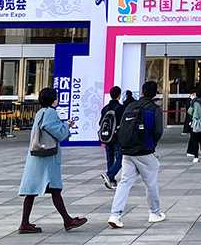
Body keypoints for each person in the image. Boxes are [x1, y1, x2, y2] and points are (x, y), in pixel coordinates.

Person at [17, 87, 88, 234]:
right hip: (47, 158)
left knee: (32, 191)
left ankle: (25, 223)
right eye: (56, 97)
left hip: (37, 157)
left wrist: (62, 125)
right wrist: (67, 126)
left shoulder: (40, 112)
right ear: (53, 99)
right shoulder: (50, 112)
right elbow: (59, 133)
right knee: (55, 189)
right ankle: (67, 220)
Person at [108, 80, 166, 229]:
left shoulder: (130, 106)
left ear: (142, 91)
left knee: (124, 182)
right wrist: (152, 144)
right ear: (155, 93)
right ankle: (154, 212)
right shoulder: (154, 108)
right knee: (151, 182)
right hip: (145, 151)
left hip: (127, 150)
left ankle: (115, 215)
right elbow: (158, 131)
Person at [99, 85, 126, 190]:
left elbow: (100, 122)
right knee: (120, 158)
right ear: (119, 95)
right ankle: (109, 175)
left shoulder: (105, 108)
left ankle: (112, 180)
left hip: (107, 137)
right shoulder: (121, 108)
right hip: (117, 137)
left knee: (110, 158)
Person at [183, 90, 196, 157]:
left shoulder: (193, 101)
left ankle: (192, 150)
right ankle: (190, 151)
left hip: (192, 121)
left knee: (194, 137)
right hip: (191, 121)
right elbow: (189, 111)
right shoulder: (190, 101)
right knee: (193, 137)